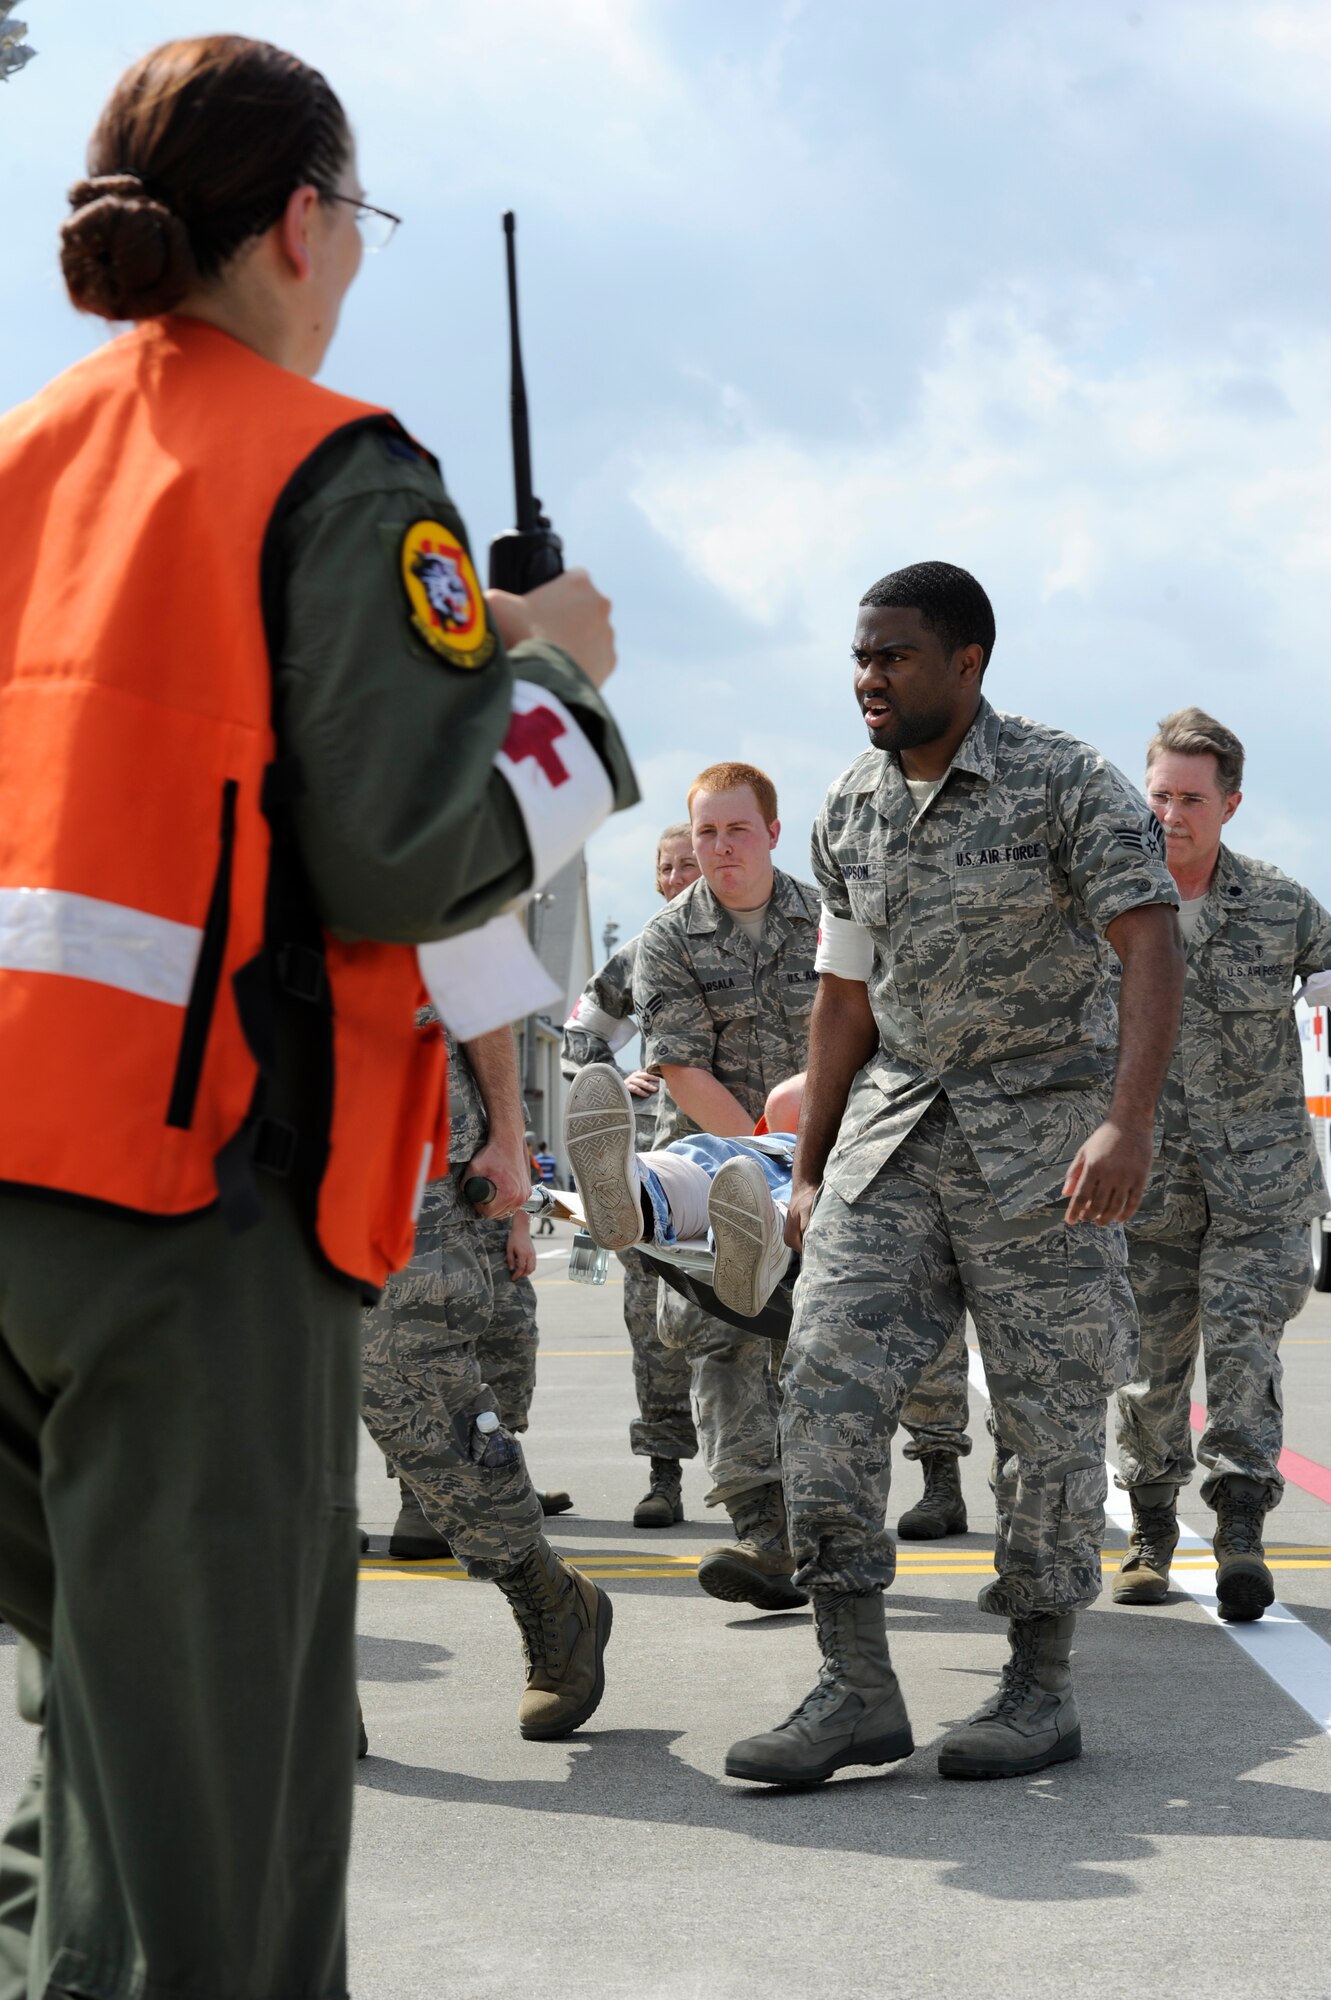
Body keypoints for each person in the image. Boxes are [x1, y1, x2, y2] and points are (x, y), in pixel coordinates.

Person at [0, 36, 634, 1996]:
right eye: (354, 219)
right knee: (220, 1851)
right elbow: (406, 854)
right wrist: (562, 686)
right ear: (298, 224)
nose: (352, 255)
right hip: (187, 1220)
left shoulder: (26, 459)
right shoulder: (339, 469)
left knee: (91, 1778)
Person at [725, 560, 1184, 1788]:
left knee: (1045, 1417)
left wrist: (1127, 1120)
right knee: (822, 1379)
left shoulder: (1063, 780)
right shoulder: (849, 804)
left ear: (966, 662)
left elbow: (1148, 941)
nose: (867, 678)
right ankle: (853, 1683)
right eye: (859, 656)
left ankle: (1037, 1683)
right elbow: (842, 995)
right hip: (892, 1133)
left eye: (894, 655)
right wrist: (807, 1168)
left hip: (1045, 1142)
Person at [1112, 709, 1331, 1619]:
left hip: (1260, 1185)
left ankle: (1241, 1533)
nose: (1171, 815)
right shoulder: (1105, 904)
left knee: (1243, 1352)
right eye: (1159, 795)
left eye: (1191, 799)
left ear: (1229, 805)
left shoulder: (1280, 906)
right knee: (1148, 1369)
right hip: (1145, 1186)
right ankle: (1150, 1535)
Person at [632, 764, 821, 1609]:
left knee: (819, 1345)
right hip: (712, 1162)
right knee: (719, 1335)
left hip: (821, 1159)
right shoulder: (667, 937)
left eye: (736, 829)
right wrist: (756, 1168)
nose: (719, 848)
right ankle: (760, 1533)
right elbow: (679, 1066)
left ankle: (823, 1528)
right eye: (705, 832)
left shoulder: (829, 920)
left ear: (772, 833)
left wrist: (793, 1160)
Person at [370, 1024, 571, 1571]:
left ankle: (493, 1482)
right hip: (391, 1169)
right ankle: (425, 1503)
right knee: (408, 1346)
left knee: (498, 1341)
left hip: (466, 1177)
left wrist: (521, 1225)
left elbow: (487, 1023)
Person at [561, 823, 701, 1527]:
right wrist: (615, 1080)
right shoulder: (640, 953)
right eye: (667, 867)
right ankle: (663, 1474)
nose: (677, 879)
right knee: (653, 1328)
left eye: (689, 865)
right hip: (658, 1168)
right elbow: (580, 1035)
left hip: (757, 1152)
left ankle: (768, 1480)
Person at [566, 1064, 801, 1318]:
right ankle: (642, 1195)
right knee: (719, 1156)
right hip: (794, 1142)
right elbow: (784, 1103)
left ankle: (769, 1233)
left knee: (788, 1183)